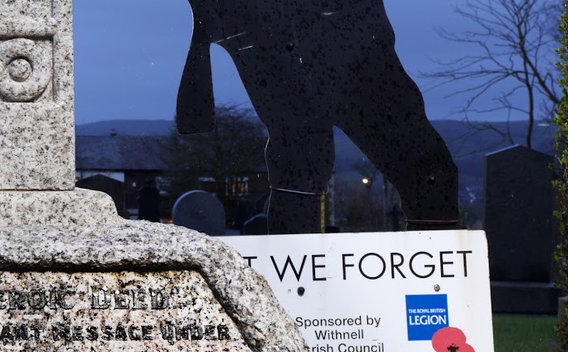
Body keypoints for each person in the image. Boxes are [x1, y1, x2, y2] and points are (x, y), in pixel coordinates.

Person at [177, 0, 459, 233]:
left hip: (345, 34)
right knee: (301, 164)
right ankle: (291, 271)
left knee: (430, 172)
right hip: (293, 31)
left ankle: (436, 272)